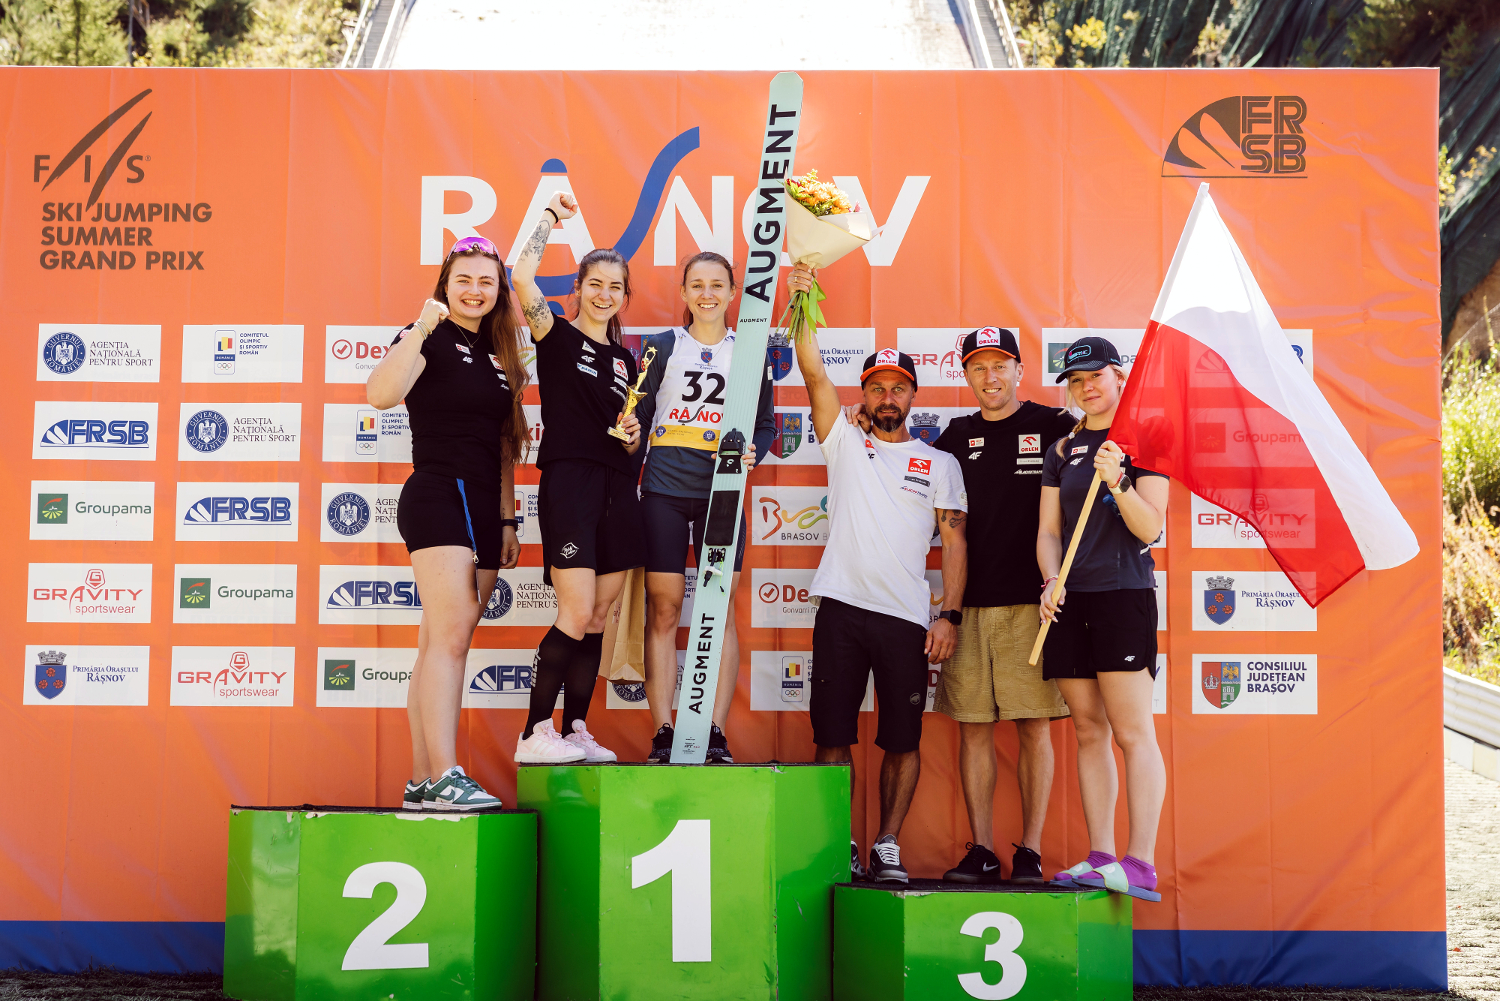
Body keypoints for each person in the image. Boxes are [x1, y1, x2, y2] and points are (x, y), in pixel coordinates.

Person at [790, 263, 968, 884]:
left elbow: (954, 542)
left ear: (913, 397)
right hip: (841, 607)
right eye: (876, 388)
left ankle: (887, 843)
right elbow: (813, 371)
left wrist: (949, 615)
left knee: (902, 739)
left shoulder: (939, 463)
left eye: (898, 388)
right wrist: (802, 300)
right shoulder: (843, 439)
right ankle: (839, 841)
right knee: (832, 736)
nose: (887, 397)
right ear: (863, 395)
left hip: (905, 618)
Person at [366, 235, 527, 810]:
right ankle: (443, 774)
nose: (475, 290)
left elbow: (505, 444)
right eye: (464, 280)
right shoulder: (427, 334)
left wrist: (507, 519)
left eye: (486, 281)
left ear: (499, 290)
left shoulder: (501, 353)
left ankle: (421, 780)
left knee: (439, 641)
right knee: (451, 639)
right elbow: (380, 395)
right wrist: (419, 326)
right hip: (438, 494)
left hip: (484, 507)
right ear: (445, 285)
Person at [927, 326, 1079, 883]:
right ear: (966, 374)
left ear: (1019, 369)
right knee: (973, 729)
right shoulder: (954, 436)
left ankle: (1030, 851)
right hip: (967, 606)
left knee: (1034, 727)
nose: (989, 377)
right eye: (978, 366)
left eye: (999, 365)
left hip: (1032, 606)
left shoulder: (1055, 425)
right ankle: (983, 851)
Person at [510, 191, 644, 766]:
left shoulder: (628, 362)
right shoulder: (556, 335)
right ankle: (533, 731)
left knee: (596, 618)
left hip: (619, 490)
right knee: (574, 609)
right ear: (579, 288)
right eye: (596, 284)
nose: (605, 294)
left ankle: (576, 730)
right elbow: (520, 276)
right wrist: (549, 217)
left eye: (615, 287)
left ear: (624, 296)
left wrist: (633, 436)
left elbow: (626, 436)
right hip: (571, 484)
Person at [1038, 335, 1169, 899]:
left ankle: (1140, 863)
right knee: (1089, 730)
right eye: (1076, 380)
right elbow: (1049, 532)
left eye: (1095, 376)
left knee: (1133, 733)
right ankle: (1101, 856)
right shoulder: (1063, 448)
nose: (1086, 387)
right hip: (1071, 601)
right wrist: (1051, 579)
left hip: (1122, 595)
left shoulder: (1145, 440)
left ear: (1119, 376)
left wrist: (1118, 480)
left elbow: (1151, 528)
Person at [633, 251, 774, 764]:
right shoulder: (661, 346)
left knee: (719, 609)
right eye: (697, 284)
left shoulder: (751, 350)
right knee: (665, 609)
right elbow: (637, 419)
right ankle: (663, 732)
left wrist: (755, 449)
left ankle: (714, 731)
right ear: (684, 292)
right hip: (665, 492)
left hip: (724, 492)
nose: (707, 294)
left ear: (734, 292)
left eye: (717, 285)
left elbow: (765, 423)